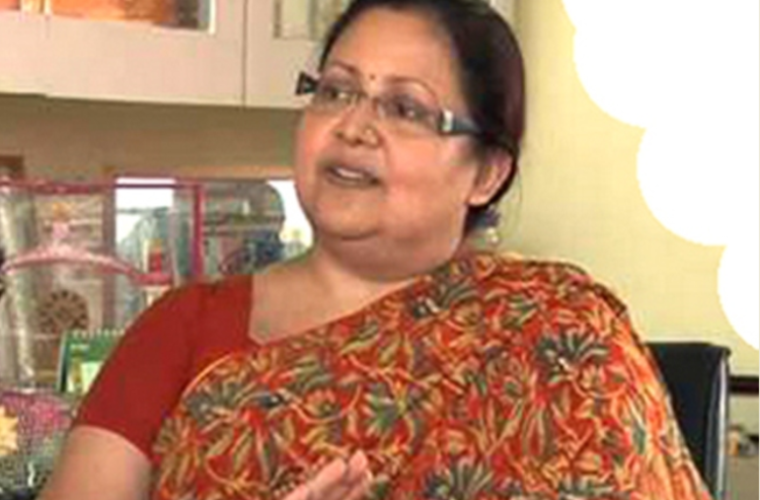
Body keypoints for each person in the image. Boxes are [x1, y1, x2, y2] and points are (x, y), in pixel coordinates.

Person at [39, 0, 713, 499]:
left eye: (406, 108)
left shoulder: (560, 335)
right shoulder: (182, 328)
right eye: (336, 91)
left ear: (486, 173)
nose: (354, 126)